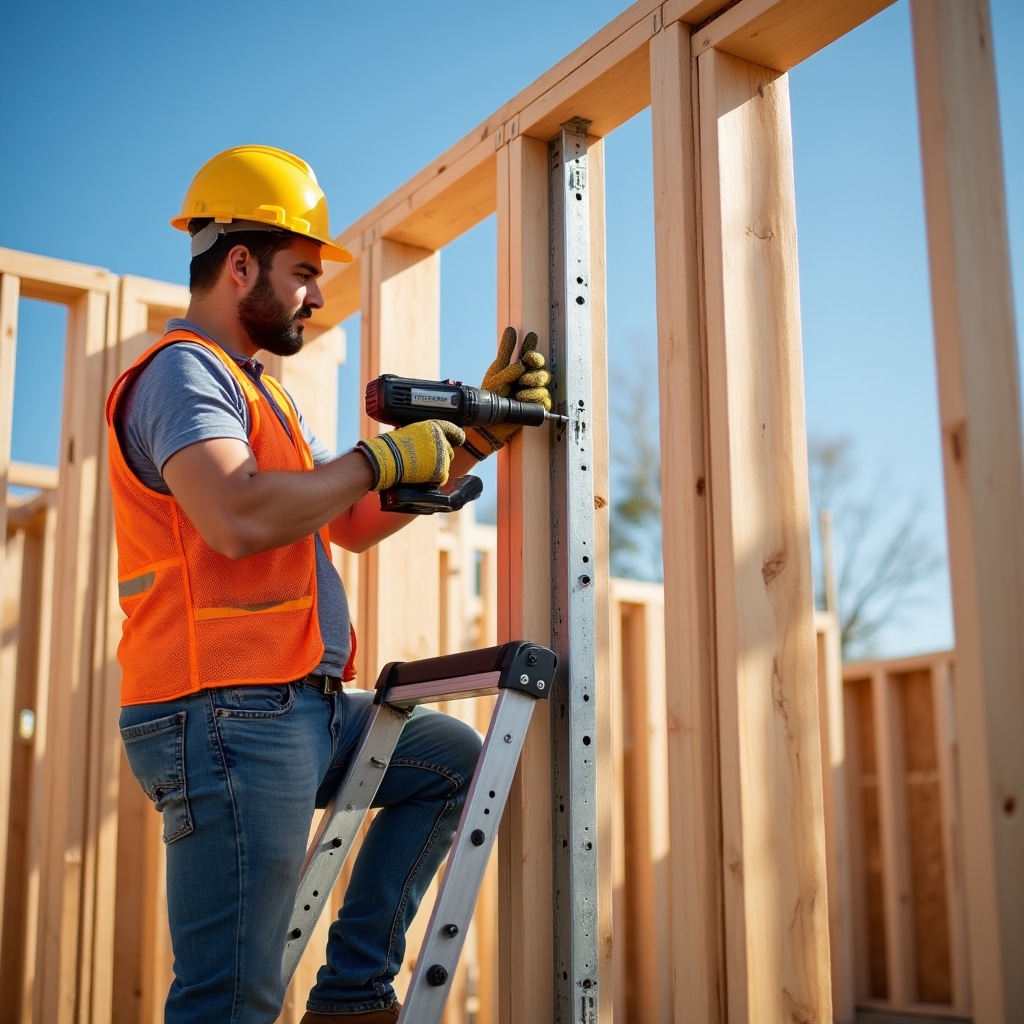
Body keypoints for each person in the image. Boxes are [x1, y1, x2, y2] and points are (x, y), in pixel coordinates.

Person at [107, 145, 552, 1024]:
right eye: (303, 273)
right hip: (223, 713)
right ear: (240, 265)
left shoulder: (255, 389)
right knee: (232, 999)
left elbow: (341, 518)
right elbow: (238, 517)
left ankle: (351, 996)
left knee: (455, 764)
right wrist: (378, 455)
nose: (315, 294)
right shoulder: (182, 374)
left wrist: (467, 444)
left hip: (292, 707)